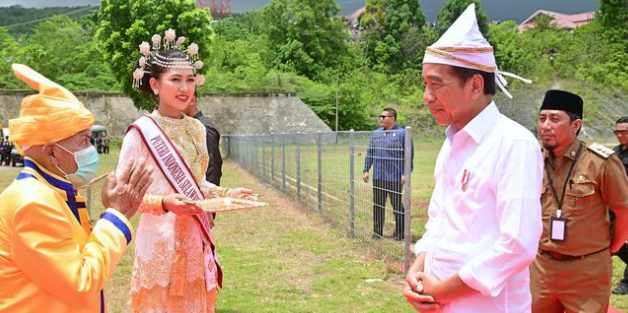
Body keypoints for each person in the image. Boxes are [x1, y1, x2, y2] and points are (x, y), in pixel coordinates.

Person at [403, 4, 543, 312]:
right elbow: (438, 221)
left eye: (436, 84)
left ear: (475, 85)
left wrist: (443, 290)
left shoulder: (513, 143)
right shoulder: (452, 143)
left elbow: (517, 245)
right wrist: (417, 271)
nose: (426, 96)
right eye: (425, 84)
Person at [0, 63, 153, 312]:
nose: (89, 151)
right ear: (51, 152)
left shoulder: (50, 191)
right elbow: (80, 285)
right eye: (83, 141)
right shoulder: (32, 203)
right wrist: (116, 215)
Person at [122, 29, 254, 313]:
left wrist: (227, 193)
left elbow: (198, 182)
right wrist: (164, 203)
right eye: (175, 80)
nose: (184, 88)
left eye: (190, 80)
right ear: (155, 85)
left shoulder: (197, 129)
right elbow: (125, 196)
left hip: (195, 238)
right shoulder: (140, 133)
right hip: (159, 241)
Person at [531, 90, 628, 312]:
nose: (546, 125)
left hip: (587, 271)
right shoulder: (534, 161)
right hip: (541, 268)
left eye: (555, 119)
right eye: (542, 118)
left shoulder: (600, 162)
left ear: (576, 125)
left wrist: (608, 251)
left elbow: (624, 213)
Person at [362, 107, 413, 240]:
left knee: (396, 205)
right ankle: (377, 233)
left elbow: (409, 155)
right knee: (378, 204)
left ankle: (400, 233)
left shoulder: (402, 134)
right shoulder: (377, 133)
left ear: (392, 119)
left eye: (383, 117)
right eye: (380, 116)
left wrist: (405, 173)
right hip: (379, 176)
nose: (381, 119)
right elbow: (370, 152)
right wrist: (366, 169)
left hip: (395, 176)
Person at [184, 92, 223, 185]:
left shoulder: (204, 128)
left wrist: (207, 197)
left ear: (191, 100)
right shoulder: (191, 125)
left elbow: (212, 169)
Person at [612, 116, 628, 295]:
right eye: (617, 132)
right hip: (613, 204)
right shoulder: (615, 152)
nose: (619, 135)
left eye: (624, 132)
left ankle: (627, 282)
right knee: (613, 239)